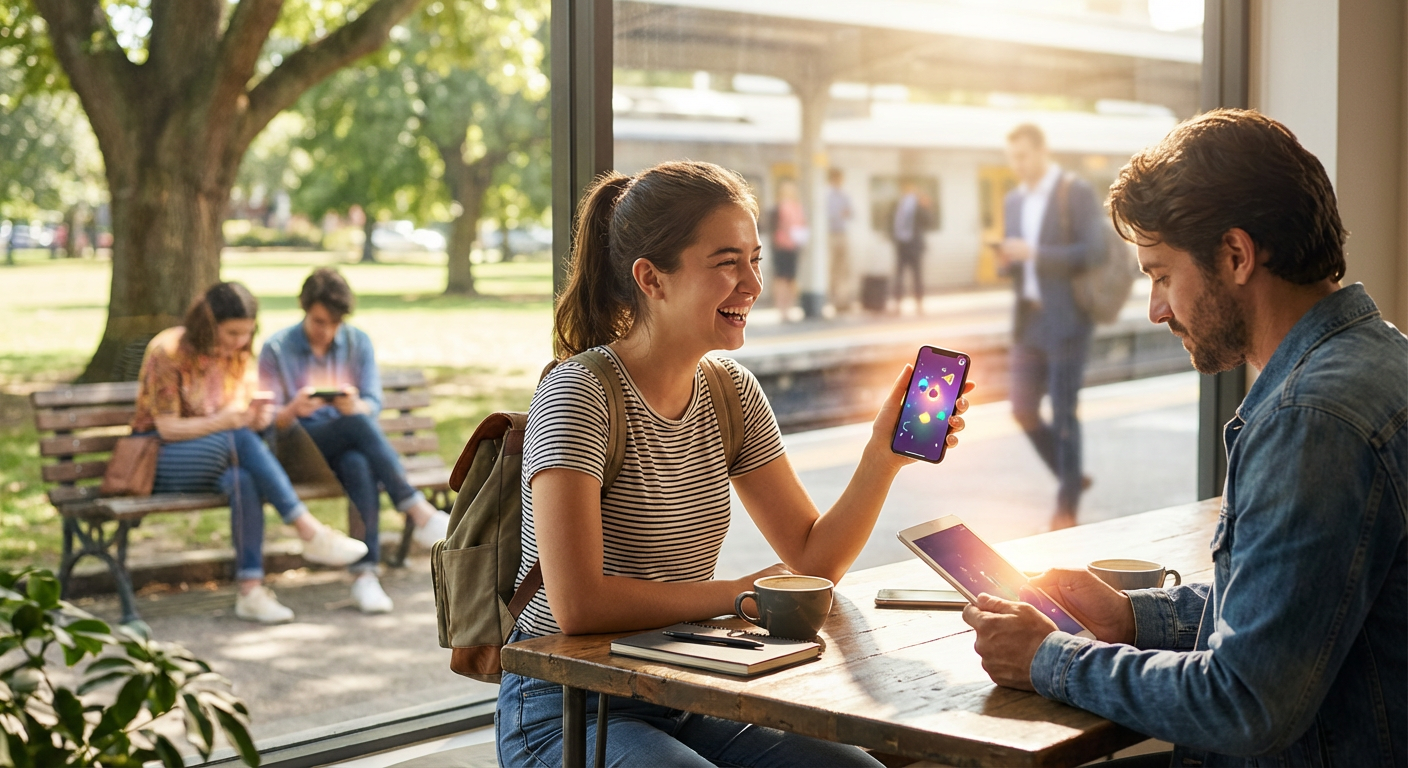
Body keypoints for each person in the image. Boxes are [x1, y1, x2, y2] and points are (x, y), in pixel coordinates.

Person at [962, 109, 1406, 767]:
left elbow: (1243, 701)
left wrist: (1048, 658)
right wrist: (1129, 618)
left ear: (1236, 256)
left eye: (1162, 275)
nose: (1156, 309)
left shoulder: (1309, 419)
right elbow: (1291, 605)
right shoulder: (1381, 359)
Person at [496, 160, 974, 768]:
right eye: (727, 262)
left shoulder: (730, 390)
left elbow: (812, 562)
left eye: (755, 259)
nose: (752, 283)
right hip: (567, 705)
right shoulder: (579, 394)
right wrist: (737, 595)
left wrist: (882, 459)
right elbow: (578, 604)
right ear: (651, 278)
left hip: (687, 682)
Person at [132, 282, 368, 624]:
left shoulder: (239, 355)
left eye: (247, 332)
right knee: (239, 439)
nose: (240, 341)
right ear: (207, 323)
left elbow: (239, 415)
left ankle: (250, 591)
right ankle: (308, 530)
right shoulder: (168, 351)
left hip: (223, 455)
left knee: (243, 477)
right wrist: (227, 422)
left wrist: (257, 419)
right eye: (232, 333)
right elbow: (167, 428)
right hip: (161, 458)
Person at [259, 268, 452, 614]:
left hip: (345, 443)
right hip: (297, 448)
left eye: (335, 323)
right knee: (356, 426)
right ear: (304, 309)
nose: (327, 331)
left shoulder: (357, 342)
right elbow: (267, 421)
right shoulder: (276, 348)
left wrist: (354, 405)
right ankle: (416, 509)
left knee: (358, 461)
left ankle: (365, 575)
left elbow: (371, 403)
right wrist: (293, 409)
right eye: (320, 322)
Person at [999, 123, 1102, 529]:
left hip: (1067, 318)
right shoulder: (1012, 201)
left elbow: (1093, 251)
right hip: (1029, 319)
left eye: (1023, 156)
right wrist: (1008, 261)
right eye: (1012, 158)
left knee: (1063, 414)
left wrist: (1035, 253)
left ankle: (1066, 508)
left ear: (1043, 151)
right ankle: (1070, 475)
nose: (1017, 165)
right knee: (1021, 408)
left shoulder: (1074, 192)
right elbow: (1018, 262)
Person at [767, 177, 805, 321]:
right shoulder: (778, 207)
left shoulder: (798, 207)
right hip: (781, 246)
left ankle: (789, 309)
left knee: (791, 279)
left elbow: (802, 224)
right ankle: (781, 309)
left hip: (793, 246)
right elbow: (773, 227)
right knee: (781, 278)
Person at [889, 179, 930, 314]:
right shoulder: (896, 204)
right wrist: (893, 238)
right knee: (899, 276)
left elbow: (929, 222)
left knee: (917, 276)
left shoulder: (919, 205)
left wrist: (925, 206)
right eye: (906, 188)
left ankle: (919, 304)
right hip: (901, 244)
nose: (908, 191)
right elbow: (890, 222)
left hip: (915, 245)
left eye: (911, 188)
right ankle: (897, 304)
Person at [826, 168, 854, 312]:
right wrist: (840, 214)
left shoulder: (844, 196)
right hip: (830, 234)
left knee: (844, 268)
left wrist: (843, 213)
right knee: (833, 269)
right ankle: (834, 299)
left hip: (842, 233)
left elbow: (851, 213)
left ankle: (843, 300)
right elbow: (829, 215)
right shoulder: (826, 195)